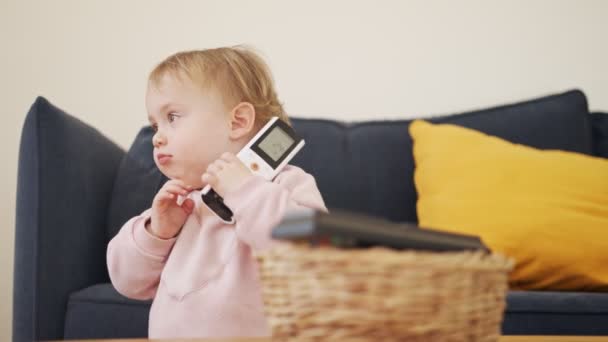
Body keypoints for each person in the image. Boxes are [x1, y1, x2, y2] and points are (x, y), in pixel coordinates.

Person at [107, 45, 327, 339]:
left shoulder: (283, 185)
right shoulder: (178, 204)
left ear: (237, 122)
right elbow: (127, 282)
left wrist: (246, 191)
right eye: (154, 124)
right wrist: (156, 232)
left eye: (172, 117)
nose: (157, 137)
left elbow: (316, 258)